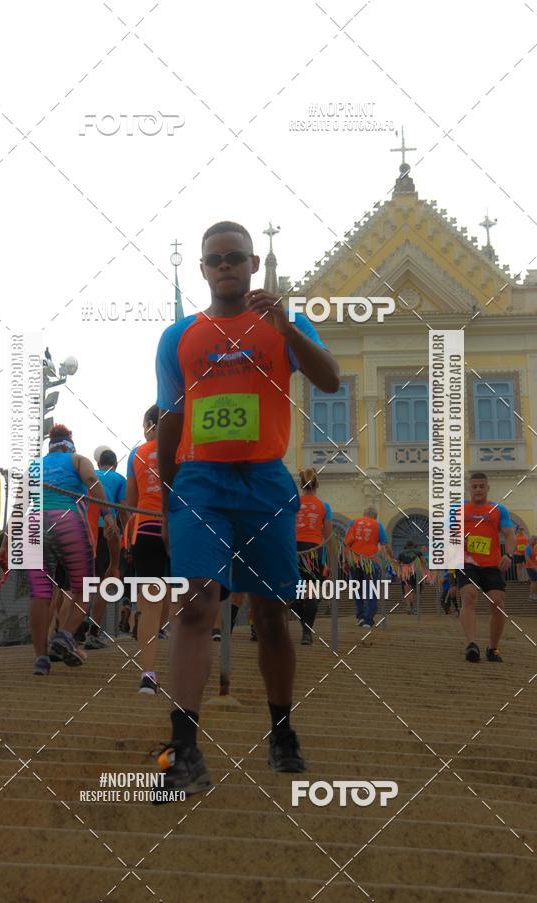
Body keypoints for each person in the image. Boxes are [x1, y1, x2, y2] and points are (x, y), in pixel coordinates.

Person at [153, 220, 340, 797]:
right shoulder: (178, 337)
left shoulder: (286, 322)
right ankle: (183, 749)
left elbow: (330, 380)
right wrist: (168, 495)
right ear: (203, 269)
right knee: (195, 605)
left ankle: (282, 730)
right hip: (200, 483)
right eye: (215, 260)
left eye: (235, 257)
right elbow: (171, 418)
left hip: (264, 482)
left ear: (254, 264)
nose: (225, 266)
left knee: (269, 616)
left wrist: (288, 328)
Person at [0, 424, 119, 675]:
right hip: (68, 520)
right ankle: (65, 636)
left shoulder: (35, 467)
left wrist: (5, 546)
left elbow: (18, 507)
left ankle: (41, 659)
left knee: (40, 593)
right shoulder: (77, 459)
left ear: (50, 446)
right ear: (70, 444)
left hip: (34, 525)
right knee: (84, 587)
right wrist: (107, 514)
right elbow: (92, 480)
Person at [126, 405, 169, 695]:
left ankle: (148, 675)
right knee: (173, 599)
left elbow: (131, 503)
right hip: (178, 529)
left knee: (150, 603)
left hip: (146, 529)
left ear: (151, 424)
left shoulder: (136, 454)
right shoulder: (183, 449)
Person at [455, 472, 515, 663]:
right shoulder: (458, 509)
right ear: (469, 488)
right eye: (475, 486)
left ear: (488, 488)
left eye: (482, 486)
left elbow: (509, 534)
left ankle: (492, 648)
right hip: (467, 562)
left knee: (498, 603)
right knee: (468, 597)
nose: (478, 489)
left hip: (491, 564)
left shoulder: (499, 509)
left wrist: (509, 554)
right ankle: (472, 644)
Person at [82, 449, 127, 650]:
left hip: (82, 529)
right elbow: (124, 511)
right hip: (107, 531)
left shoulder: (87, 475)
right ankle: (92, 633)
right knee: (104, 582)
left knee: (77, 583)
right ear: (115, 464)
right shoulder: (120, 479)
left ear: (98, 463)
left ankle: (64, 631)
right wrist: (128, 537)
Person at [292, 468, 332, 644]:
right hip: (314, 551)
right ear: (317, 485)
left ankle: (304, 625)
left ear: (301, 485)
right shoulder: (324, 506)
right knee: (311, 591)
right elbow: (328, 536)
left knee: (294, 592)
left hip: (294, 549)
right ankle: (307, 632)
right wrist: (330, 561)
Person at [344, 506, 392, 627]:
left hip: (355, 560)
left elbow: (347, 543)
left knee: (357, 589)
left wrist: (345, 561)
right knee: (371, 589)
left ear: (364, 514)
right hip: (371, 562)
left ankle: (360, 616)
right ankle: (368, 619)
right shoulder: (378, 525)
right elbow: (385, 545)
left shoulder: (353, 522)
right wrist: (391, 557)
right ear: (375, 516)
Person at [398, 540, 421, 614]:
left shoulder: (401, 553)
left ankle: (408, 607)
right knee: (415, 591)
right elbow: (423, 562)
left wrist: (399, 575)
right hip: (415, 572)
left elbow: (398, 564)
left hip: (405, 573)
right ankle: (414, 608)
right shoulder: (417, 552)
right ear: (413, 546)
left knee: (406, 591)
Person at [524, 536, 537, 603]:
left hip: (533, 567)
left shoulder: (533, 547)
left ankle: (533, 595)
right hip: (530, 567)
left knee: (534, 581)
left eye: (536, 540)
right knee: (534, 581)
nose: (535, 541)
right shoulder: (528, 547)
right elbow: (527, 557)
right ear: (530, 540)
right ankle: (532, 595)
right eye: (534, 539)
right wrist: (533, 565)